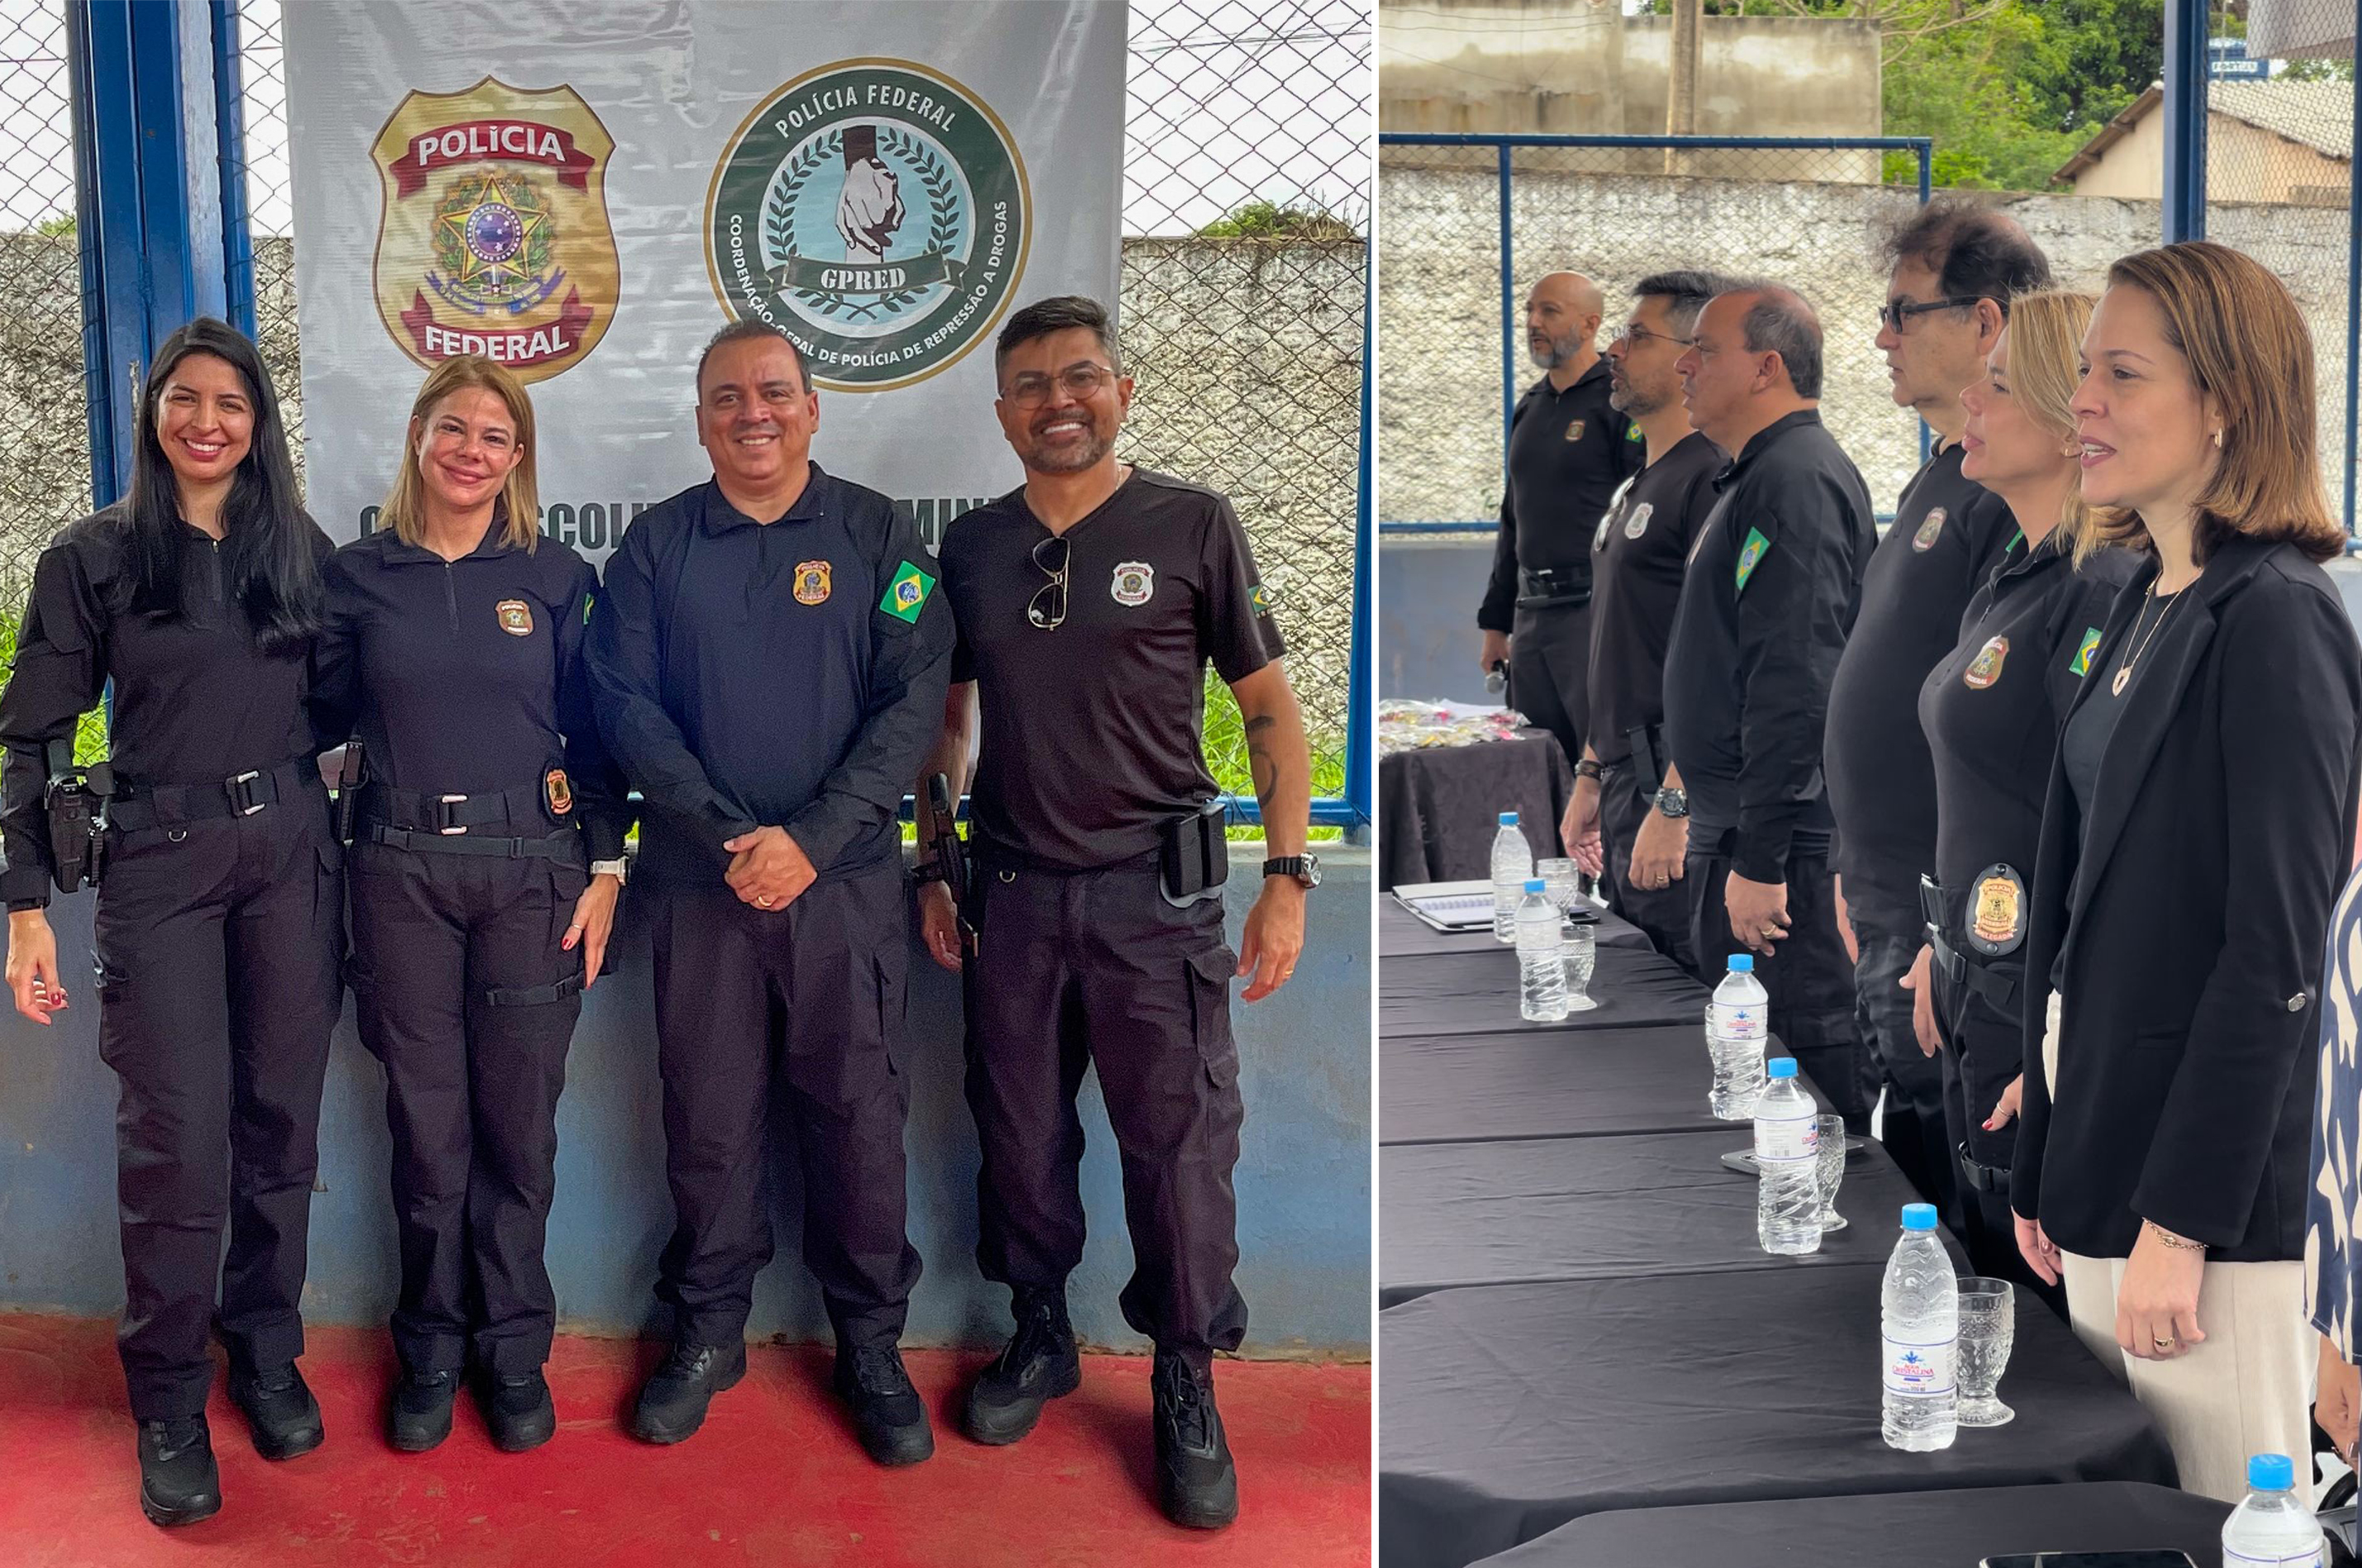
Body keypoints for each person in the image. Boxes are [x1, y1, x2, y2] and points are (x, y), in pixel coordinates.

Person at [915, 296, 1310, 1531]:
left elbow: (1268, 711)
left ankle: (1184, 1374)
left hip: (1158, 901)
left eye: (1079, 377)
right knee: (1020, 1137)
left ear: (1120, 391)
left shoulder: (1191, 522)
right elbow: (948, 718)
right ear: (1000, 413)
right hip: (1015, 899)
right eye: (1029, 384)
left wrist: (1286, 879)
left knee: (1178, 1151)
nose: (1057, 401)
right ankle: (1041, 1334)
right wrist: (934, 859)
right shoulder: (971, 547)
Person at [2008, 242, 2361, 1504]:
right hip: (2112, 1159)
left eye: (2120, 372)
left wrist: (2178, 1222)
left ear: (2222, 404)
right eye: (2083, 371)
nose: (2080, 401)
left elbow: (2272, 955)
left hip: (2202, 1211)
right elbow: (2084, 911)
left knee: (2232, 1525)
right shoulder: (2146, 596)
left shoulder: (2275, 615)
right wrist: (2051, 1156)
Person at [584, 319, 953, 1464]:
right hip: (700, 889)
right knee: (707, 1120)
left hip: (842, 890)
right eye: (728, 396)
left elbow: (913, 703)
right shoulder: (653, 549)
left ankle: (870, 1343)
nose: (754, 412)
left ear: (812, 407)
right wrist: (730, 832)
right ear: (699, 418)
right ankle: (706, 1332)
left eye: (775, 392)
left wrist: (813, 835)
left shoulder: (878, 536)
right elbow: (623, 705)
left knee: (859, 1121)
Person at [0, 319, 340, 1527]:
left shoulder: (295, 549)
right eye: (183, 399)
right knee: (178, 1141)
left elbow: (353, 694)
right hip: (162, 865)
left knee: (279, 1124)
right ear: (154, 414)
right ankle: (165, 1395)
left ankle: (262, 1348)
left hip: (295, 855)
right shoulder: (93, 557)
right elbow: (36, 733)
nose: (207, 420)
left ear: (260, 424)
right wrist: (24, 902)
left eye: (231, 403)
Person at [312, 355, 631, 1454]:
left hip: (532, 875)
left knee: (516, 1133)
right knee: (426, 1130)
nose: (471, 450)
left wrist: (604, 867)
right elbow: (311, 717)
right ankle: (431, 1349)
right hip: (397, 873)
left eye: (496, 436)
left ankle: (512, 1353)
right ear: (417, 436)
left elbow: (596, 736)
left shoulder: (552, 572)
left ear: (517, 457)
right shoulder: (358, 576)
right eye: (454, 428)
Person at [1827, 202, 2051, 1221]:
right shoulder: (1946, 472)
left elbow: (2008, 741)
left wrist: (1935, 919)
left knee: (1966, 1206)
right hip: (1895, 900)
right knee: (1917, 1161)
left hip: (1951, 922)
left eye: (1901, 310)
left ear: (1986, 323)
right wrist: (1856, 869)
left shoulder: (2009, 493)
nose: (1881, 335)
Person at [1909, 289, 2132, 1309]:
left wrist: (2054, 1040)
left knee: (2027, 1303)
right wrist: (1940, 943)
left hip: (2027, 1004)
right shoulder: (2014, 567)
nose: (1969, 402)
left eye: (1996, 385)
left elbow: (2100, 837)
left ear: (2056, 417)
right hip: (1975, 975)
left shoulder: (2101, 585)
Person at [1661, 283, 1878, 1128]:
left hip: (1781, 852)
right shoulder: (1755, 475)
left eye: (1704, 348)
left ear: (1767, 366)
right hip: (1742, 829)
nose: (1684, 362)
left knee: (1802, 1084)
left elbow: (1798, 677)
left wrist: (1763, 857)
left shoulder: (1798, 479)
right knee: (1751, 1086)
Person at [1558, 270, 1732, 976]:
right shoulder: (1641, 478)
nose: (1613, 351)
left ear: (1692, 352)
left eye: (1635, 335)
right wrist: (1592, 773)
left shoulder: (1711, 479)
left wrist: (1674, 798)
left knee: (1684, 988)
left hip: (1674, 781)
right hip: (1628, 773)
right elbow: (1624, 645)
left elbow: (1723, 657)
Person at [1476, 271, 1646, 773]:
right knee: (1534, 762)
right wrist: (1495, 620)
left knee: (1600, 762)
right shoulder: (1529, 407)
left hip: (1591, 612)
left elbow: (1640, 505)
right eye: (1530, 310)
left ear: (1590, 323)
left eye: (1549, 311)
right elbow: (1515, 516)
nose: (1533, 322)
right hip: (1531, 618)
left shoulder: (1616, 401)